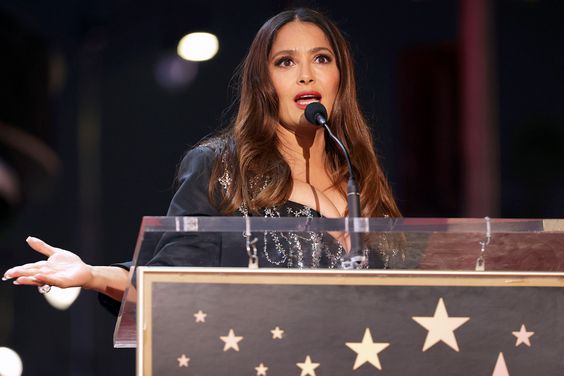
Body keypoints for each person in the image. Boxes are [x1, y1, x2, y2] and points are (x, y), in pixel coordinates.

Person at [3, 8, 401, 306]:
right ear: (264, 82)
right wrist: (91, 275)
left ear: (340, 77)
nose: (306, 75)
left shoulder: (362, 177)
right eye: (285, 62)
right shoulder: (223, 168)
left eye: (321, 59)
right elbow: (172, 275)